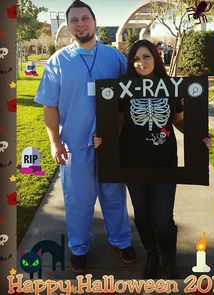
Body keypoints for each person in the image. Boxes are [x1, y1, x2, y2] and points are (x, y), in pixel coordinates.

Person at [94, 39, 214, 279]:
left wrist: (199, 136)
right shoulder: (123, 89)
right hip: (133, 162)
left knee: (162, 216)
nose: (141, 63)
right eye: (136, 58)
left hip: (164, 162)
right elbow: (118, 123)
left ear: (156, 58)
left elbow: (179, 120)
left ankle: (169, 258)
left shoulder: (171, 87)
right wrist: (104, 139)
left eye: (146, 56)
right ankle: (152, 255)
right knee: (142, 214)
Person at [34, 0, 136, 276]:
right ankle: (79, 248)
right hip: (75, 146)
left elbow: (131, 97)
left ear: (94, 21)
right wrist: (55, 142)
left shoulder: (114, 58)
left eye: (85, 18)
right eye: (75, 20)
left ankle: (121, 241)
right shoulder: (58, 61)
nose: (80, 24)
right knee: (78, 200)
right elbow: (50, 107)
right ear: (69, 26)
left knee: (114, 196)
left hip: (110, 144)